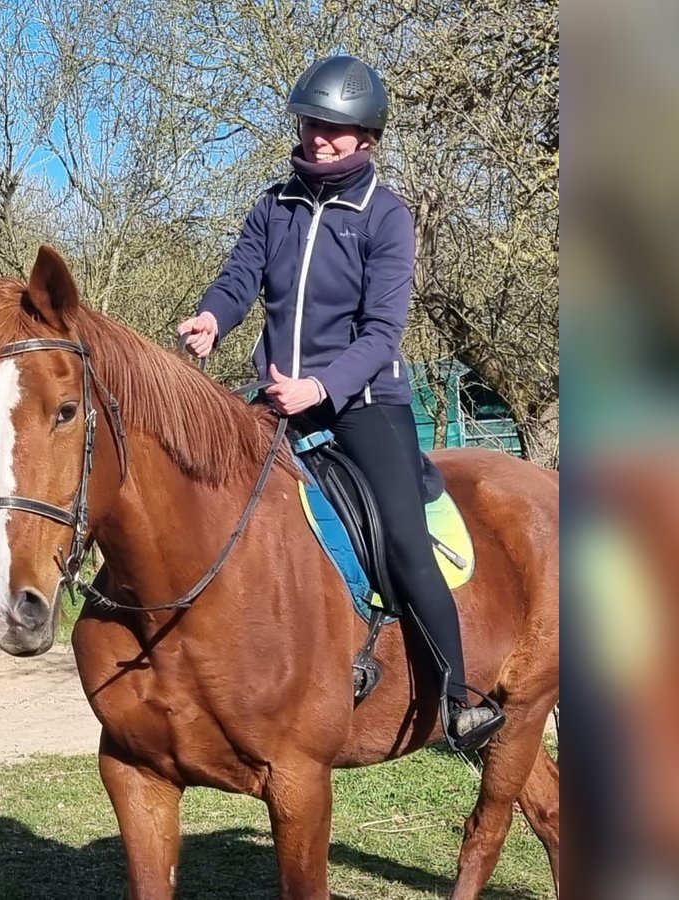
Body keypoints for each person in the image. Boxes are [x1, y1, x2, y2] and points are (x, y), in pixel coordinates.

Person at [178, 54, 499, 744]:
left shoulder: (385, 215)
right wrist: (212, 317)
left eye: (335, 128)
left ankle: (458, 694)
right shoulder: (275, 205)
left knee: (404, 539)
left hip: (363, 403)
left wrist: (320, 386)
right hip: (276, 397)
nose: (320, 137)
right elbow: (240, 278)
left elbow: (382, 332)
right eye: (311, 124)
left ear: (366, 136)